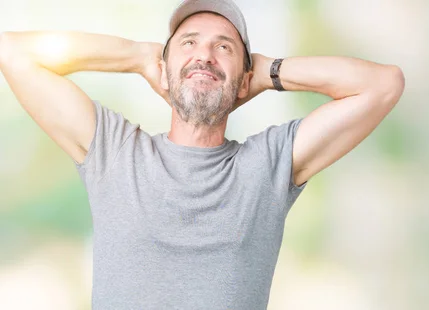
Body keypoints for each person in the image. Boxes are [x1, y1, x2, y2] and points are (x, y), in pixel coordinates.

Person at [0, 0, 405, 309]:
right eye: (189, 43)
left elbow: (383, 84)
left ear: (245, 78)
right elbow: (12, 51)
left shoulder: (268, 165)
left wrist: (268, 72)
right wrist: (138, 56)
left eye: (224, 47)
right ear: (165, 68)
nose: (205, 55)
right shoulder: (113, 150)